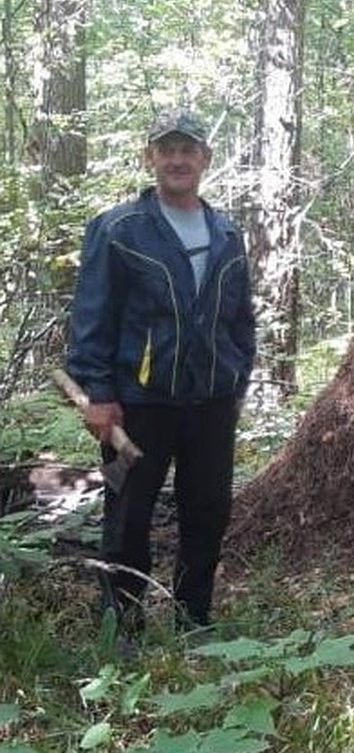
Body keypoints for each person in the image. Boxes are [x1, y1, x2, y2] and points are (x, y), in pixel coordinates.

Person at [67, 107, 256, 637]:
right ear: (150, 157)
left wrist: (237, 376)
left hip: (210, 403)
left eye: (187, 150)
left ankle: (193, 621)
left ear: (204, 159)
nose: (177, 160)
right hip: (137, 403)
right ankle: (122, 626)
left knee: (208, 511)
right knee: (127, 516)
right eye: (166, 150)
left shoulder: (226, 232)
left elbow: (240, 315)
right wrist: (98, 394)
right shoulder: (118, 229)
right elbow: (92, 317)